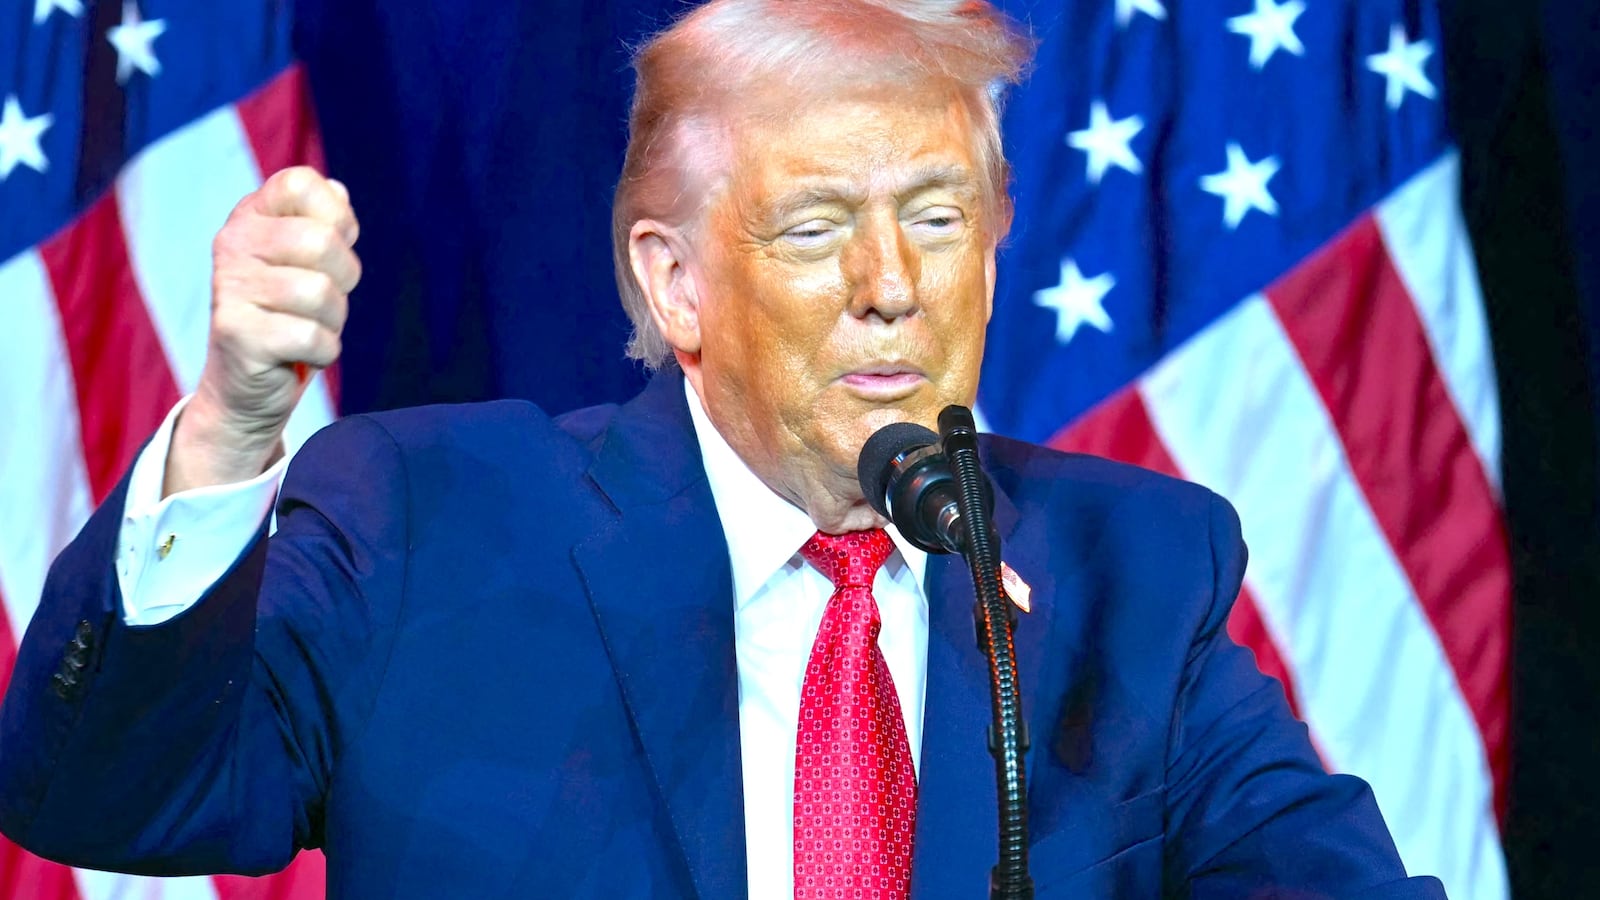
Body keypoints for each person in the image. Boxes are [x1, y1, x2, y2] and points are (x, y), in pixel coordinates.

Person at [0, 1, 1443, 897]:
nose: (893, 280)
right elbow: (97, 797)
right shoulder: (430, 529)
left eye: (939, 219)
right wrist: (237, 429)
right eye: (817, 226)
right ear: (675, 281)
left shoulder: (1129, 568)